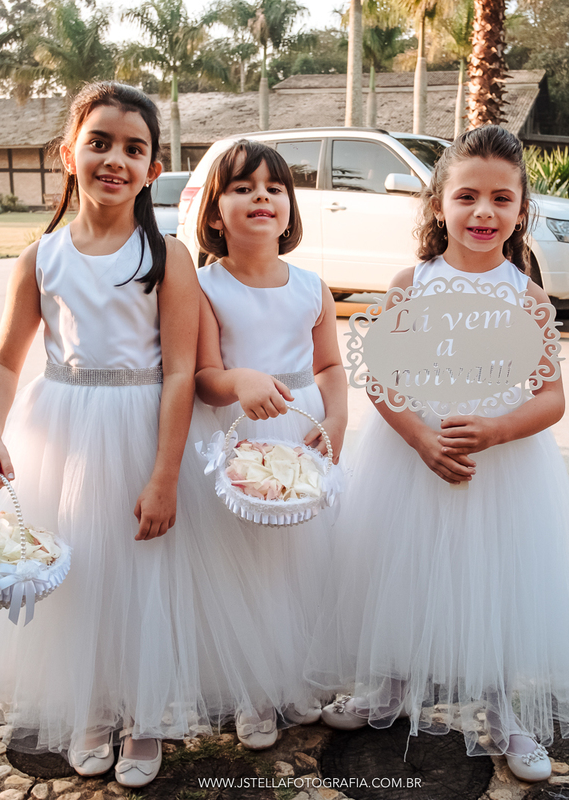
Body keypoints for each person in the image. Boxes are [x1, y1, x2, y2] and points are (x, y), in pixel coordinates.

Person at [0, 83, 245, 789]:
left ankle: (144, 714)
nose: (116, 159)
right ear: (68, 154)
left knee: (146, 578)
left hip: (145, 431)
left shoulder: (166, 256)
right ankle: (92, 705)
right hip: (62, 432)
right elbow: (5, 359)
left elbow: (182, 371)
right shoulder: (41, 257)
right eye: (100, 142)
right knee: (80, 575)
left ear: (152, 169)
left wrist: (165, 475)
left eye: (134, 149)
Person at [305, 126, 569, 783]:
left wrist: (498, 429)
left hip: (500, 470)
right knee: (403, 570)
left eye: (502, 198)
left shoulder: (527, 295)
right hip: (411, 460)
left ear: (521, 209)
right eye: (467, 196)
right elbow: (380, 378)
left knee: (490, 582)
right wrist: (419, 437)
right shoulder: (413, 283)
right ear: (439, 203)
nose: (483, 212)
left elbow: (552, 398)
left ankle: (502, 706)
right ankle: (389, 686)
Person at [192, 140, 348, 748]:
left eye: (274, 188)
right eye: (243, 188)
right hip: (241, 435)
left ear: (289, 209)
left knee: (301, 561)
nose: (261, 197)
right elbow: (204, 377)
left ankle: (294, 677)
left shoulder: (312, 287)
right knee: (246, 564)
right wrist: (239, 381)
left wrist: (337, 419)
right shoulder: (205, 288)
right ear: (215, 212)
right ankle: (250, 690)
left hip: (302, 432)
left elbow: (329, 366)